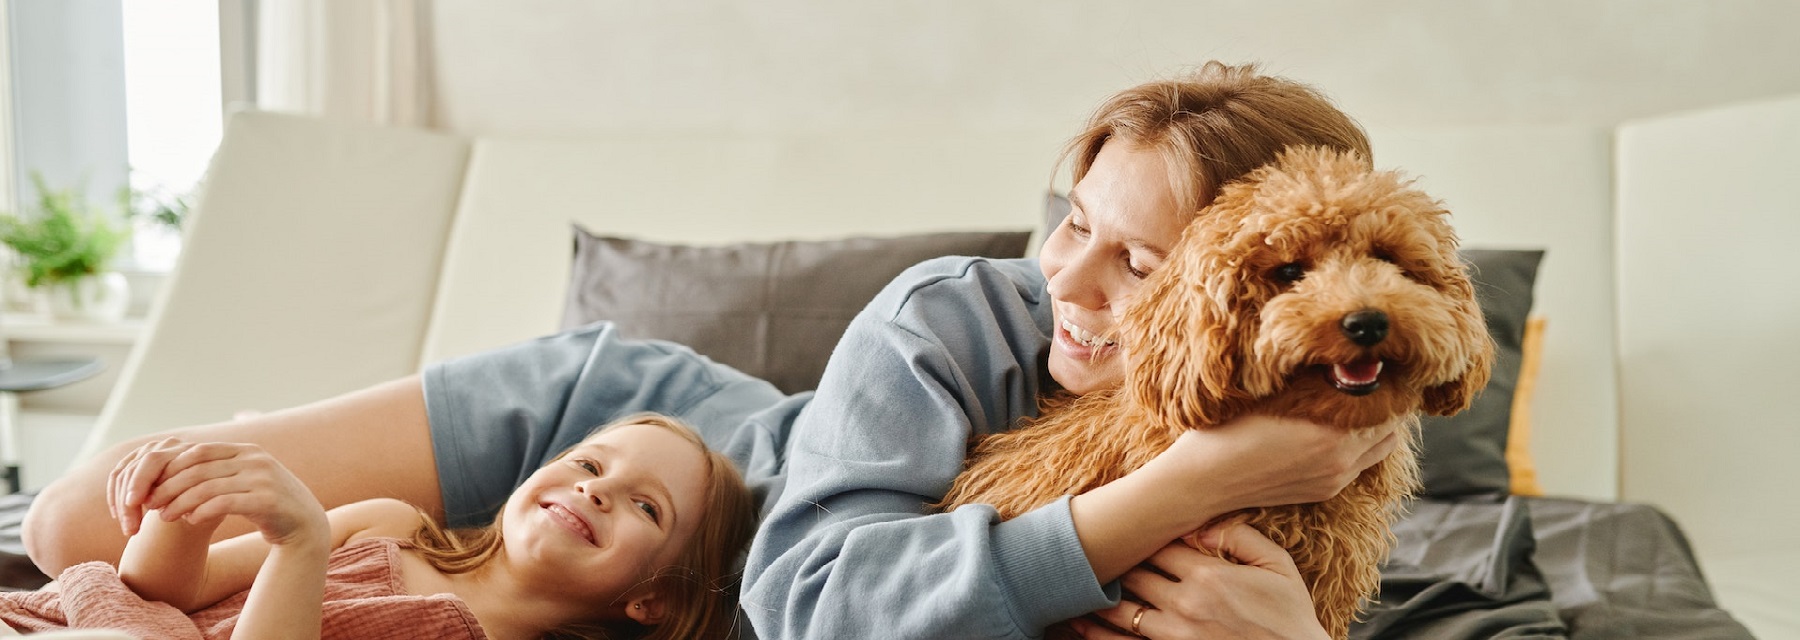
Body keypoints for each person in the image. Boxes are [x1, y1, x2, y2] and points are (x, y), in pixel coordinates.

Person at [25, 61, 1391, 639]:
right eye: (1069, 224)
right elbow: (808, 599)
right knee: (82, 517)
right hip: (639, 427)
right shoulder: (954, 316)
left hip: (659, 546)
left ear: (1246, 289)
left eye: (1138, 265)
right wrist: (1178, 490)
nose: (1068, 286)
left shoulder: (1324, 406)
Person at [4, 415, 755, 640]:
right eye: (590, 465)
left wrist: (300, 542)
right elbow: (164, 589)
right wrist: (184, 504)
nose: (597, 493)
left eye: (645, 506)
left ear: (653, 600)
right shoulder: (391, 527)